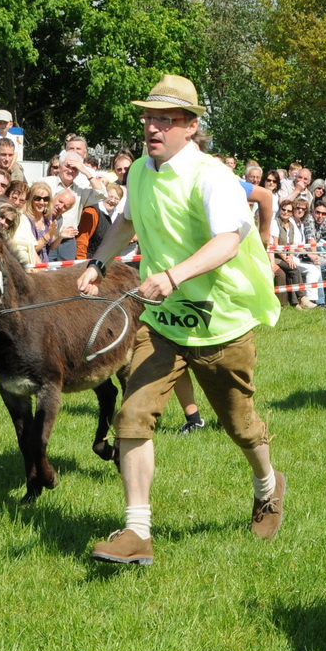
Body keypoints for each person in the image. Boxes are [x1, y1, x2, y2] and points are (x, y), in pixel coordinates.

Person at [76, 72, 285, 565]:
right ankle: (136, 532)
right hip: (164, 322)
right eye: (149, 117)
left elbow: (228, 240)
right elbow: (126, 222)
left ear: (190, 126)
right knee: (133, 415)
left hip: (221, 323)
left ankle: (268, 485)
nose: (153, 127)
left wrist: (171, 276)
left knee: (241, 426)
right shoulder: (140, 173)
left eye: (165, 119)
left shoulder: (212, 176)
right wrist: (97, 264)